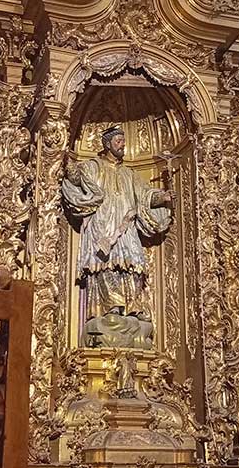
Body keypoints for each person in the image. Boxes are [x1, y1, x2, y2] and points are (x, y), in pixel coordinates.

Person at [62, 126, 173, 346]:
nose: (123, 145)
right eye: (118, 141)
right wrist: (67, 161)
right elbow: (76, 177)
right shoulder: (93, 166)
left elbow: (145, 195)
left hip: (126, 227)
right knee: (106, 267)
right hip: (102, 226)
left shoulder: (129, 174)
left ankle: (132, 307)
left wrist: (162, 197)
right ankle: (109, 307)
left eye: (123, 141)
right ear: (107, 143)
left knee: (132, 265)